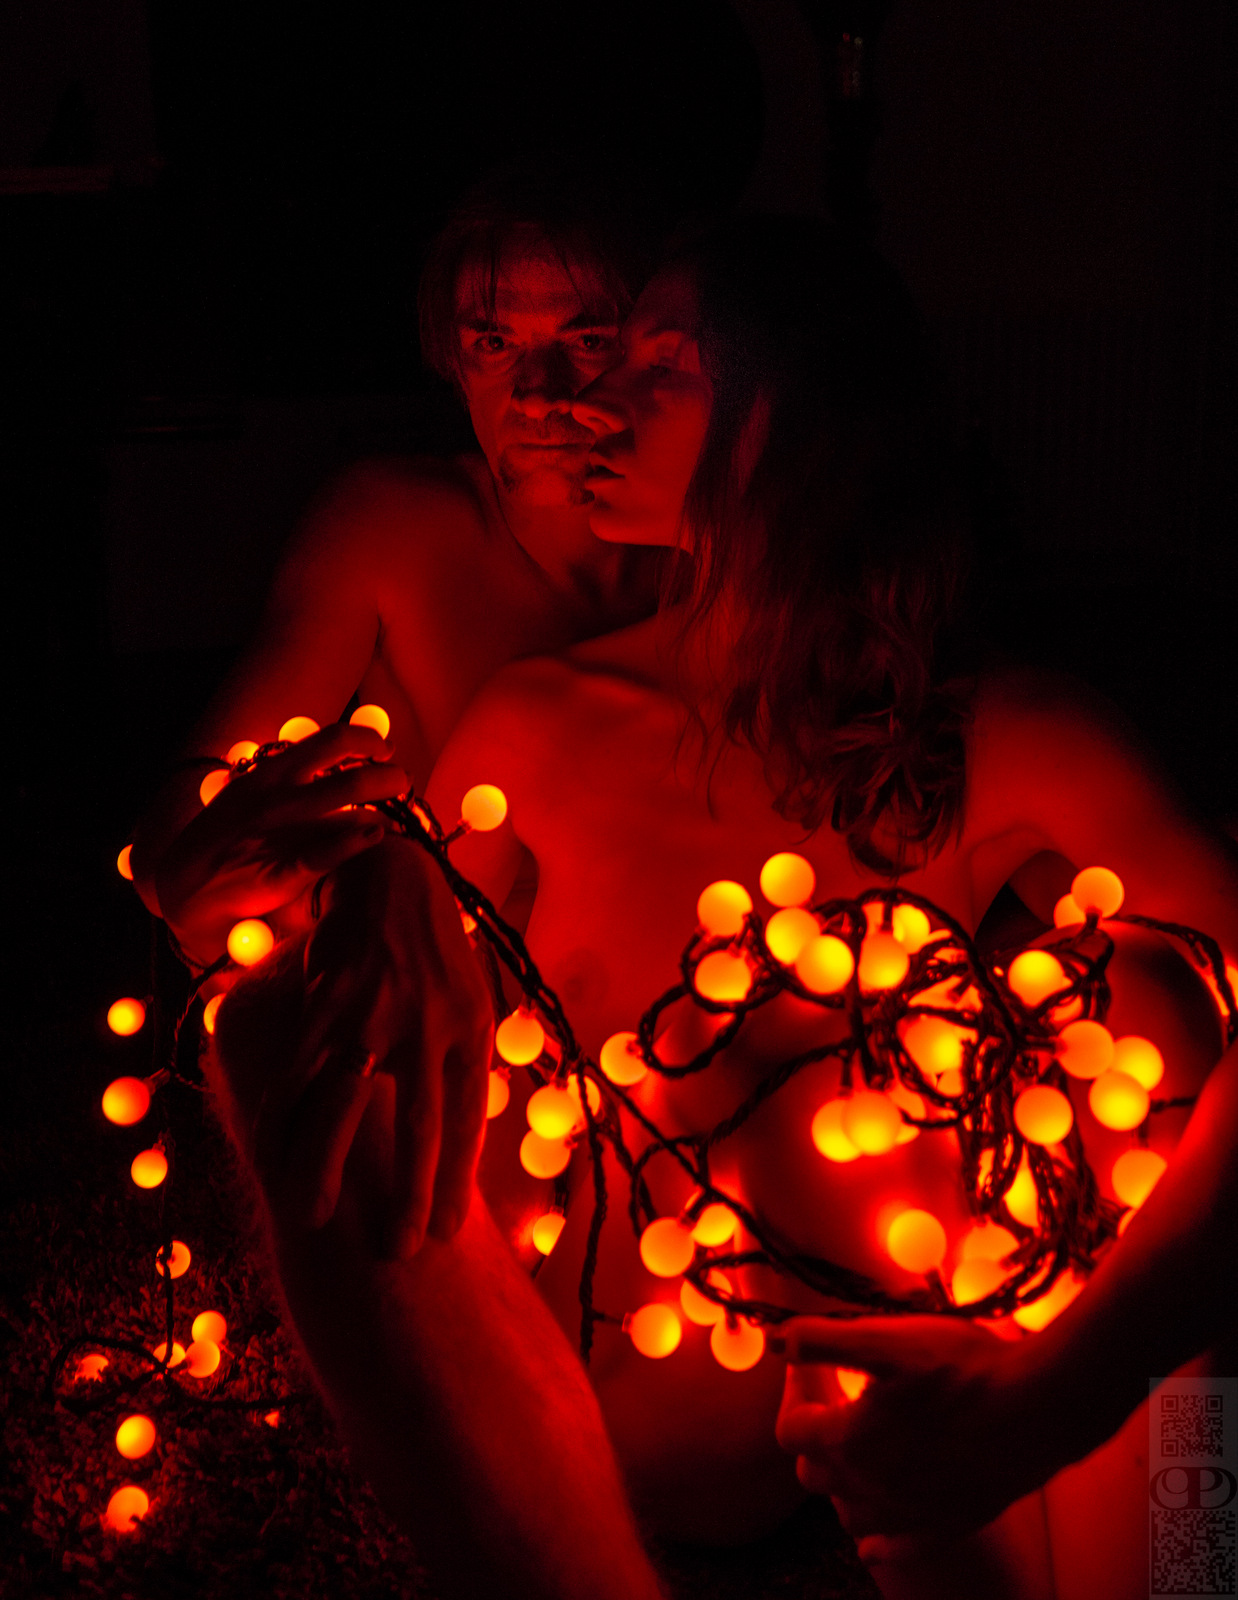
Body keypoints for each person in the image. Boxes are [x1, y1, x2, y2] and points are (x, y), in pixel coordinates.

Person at [208, 217, 1238, 1600]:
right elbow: (363, 1022)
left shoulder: (1007, 741)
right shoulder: (540, 729)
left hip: (923, 1402)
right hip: (624, 1401)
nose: (591, 404)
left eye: (663, 366)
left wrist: (1060, 1390)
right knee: (308, 1031)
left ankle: (1183, 1574)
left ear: (797, 415)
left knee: (1160, 1010)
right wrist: (376, 871)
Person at [129, 157, 669, 1251]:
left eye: (586, 338)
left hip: (646, 1071)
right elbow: (182, 841)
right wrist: (347, 893)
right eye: (494, 343)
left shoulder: (719, 564)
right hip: (425, 1072)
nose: (539, 391)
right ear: (451, 361)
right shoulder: (391, 533)